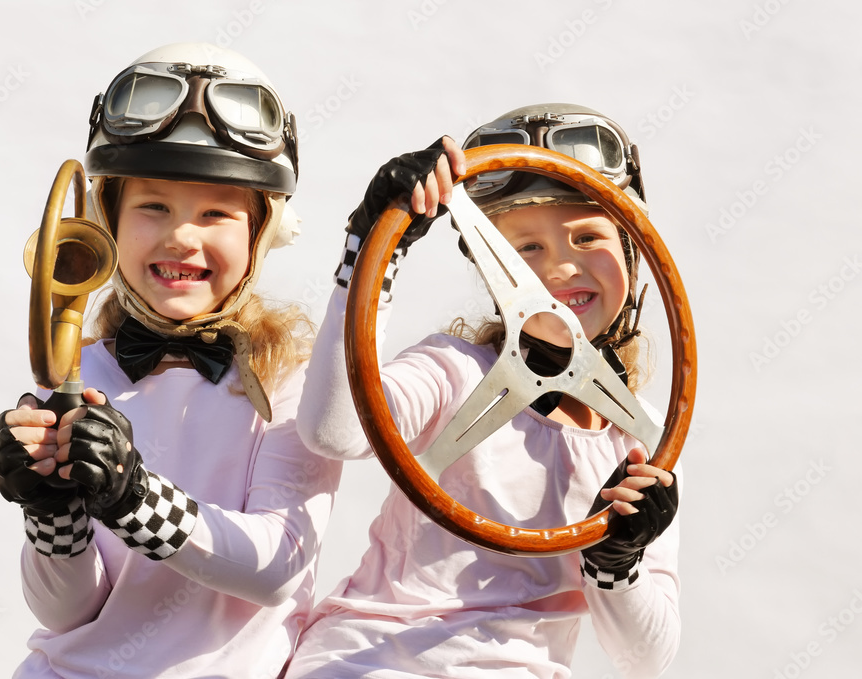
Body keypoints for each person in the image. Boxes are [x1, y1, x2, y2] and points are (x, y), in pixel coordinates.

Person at [285, 104, 681, 678]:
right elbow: (333, 432)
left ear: (631, 250)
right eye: (527, 249)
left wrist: (617, 562)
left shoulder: (645, 442)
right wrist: (370, 252)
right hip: (369, 661)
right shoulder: (454, 372)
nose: (562, 268)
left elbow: (644, 658)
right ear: (490, 268)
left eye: (587, 237)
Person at [0, 43, 341, 679]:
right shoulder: (77, 377)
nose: (181, 236)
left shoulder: (293, 379)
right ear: (107, 222)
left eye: (215, 214)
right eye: (153, 206)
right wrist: (47, 511)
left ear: (261, 233)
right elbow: (65, 613)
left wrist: (132, 495)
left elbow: (278, 568)